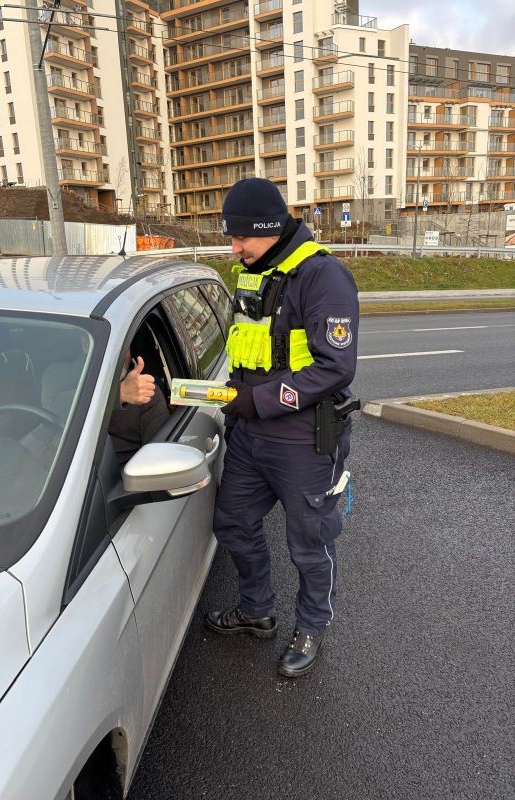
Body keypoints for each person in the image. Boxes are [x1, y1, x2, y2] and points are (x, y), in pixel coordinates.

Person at [204, 178, 359, 679]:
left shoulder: (323, 277)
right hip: (251, 435)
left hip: (303, 440)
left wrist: (261, 400)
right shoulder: (255, 271)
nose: (235, 247)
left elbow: (334, 367)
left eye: (241, 237)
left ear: (269, 229)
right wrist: (234, 393)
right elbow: (249, 345)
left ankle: (311, 626)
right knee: (232, 522)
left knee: (309, 542)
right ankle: (256, 610)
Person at [109, 352, 170, 463]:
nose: (118, 356)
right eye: (108, 349)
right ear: (85, 345)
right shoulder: (72, 386)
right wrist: (119, 394)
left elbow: (157, 460)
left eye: (124, 349)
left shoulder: (146, 393)